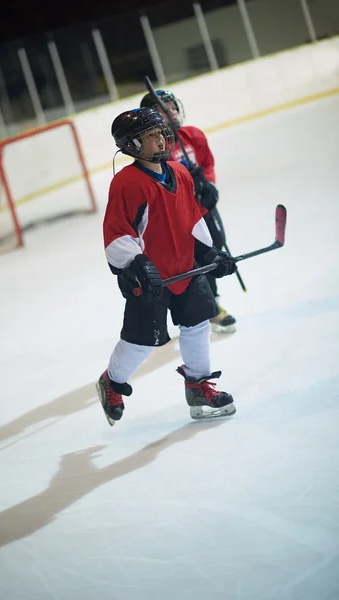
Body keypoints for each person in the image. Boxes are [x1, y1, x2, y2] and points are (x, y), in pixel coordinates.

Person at [97, 106, 237, 426]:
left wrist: (210, 255)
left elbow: (191, 219)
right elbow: (117, 232)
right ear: (132, 144)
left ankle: (199, 386)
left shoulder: (181, 172)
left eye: (161, 133)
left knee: (198, 323)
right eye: (150, 136)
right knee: (141, 340)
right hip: (150, 280)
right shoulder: (127, 183)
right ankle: (112, 382)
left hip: (186, 270)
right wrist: (137, 263)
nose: (161, 140)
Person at [140, 90, 236, 334]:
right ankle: (180, 309)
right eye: (164, 109)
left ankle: (213, 304)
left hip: (202, 210)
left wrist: (209, 184)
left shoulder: (192, 135)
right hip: (178, 219)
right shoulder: (153, 150)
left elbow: (207, 163)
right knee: (184, 262)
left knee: (212, 251)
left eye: (172, 107)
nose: (171, 111)